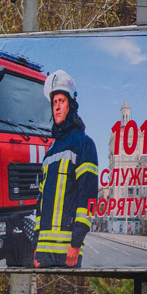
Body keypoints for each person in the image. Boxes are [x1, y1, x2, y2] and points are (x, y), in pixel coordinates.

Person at [33, 70, 98, 269]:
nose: (57, 107)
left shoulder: (84, 144)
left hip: (67, 252)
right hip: (42, 253)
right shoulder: (50, 151)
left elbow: (89, 198)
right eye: (54, 102)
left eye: (61, 100)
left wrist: (76, 244)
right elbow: (40, 200)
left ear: (71, 105)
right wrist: (36, 245)